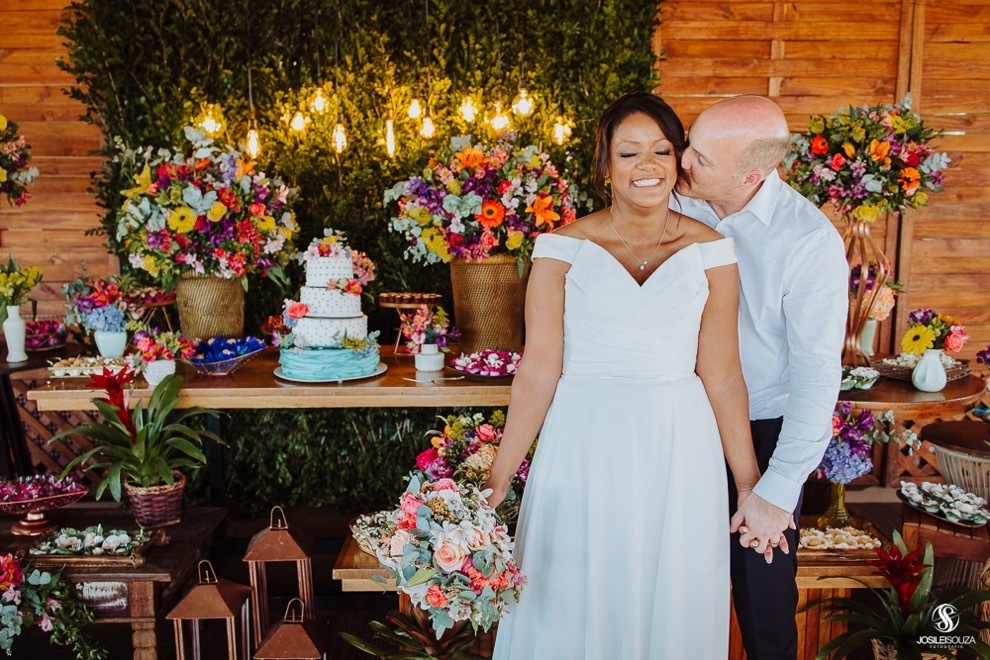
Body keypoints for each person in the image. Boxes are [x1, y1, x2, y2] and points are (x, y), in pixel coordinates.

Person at [484, 92, 767, 659]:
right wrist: (497, 478)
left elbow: (723, 373)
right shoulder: (560, 248)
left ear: (680, 159)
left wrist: (747, 482)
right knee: (569, 593)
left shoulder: (713, 250)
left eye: (662, 150)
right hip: (582, 441)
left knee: (672, 595)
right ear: (605, 166)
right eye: (629, 152)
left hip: (678, 445)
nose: (648, 166)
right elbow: (539, 369)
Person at [673, 95, 849, 659]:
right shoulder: (676, 203)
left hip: (762, 432)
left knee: (764, 599)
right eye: (689, 145)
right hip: (676, 422)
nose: (683, 163)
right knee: (668, 584)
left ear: (753, 174)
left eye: (701, 157)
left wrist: (776, 492)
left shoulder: (809, 242)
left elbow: (818, 376)